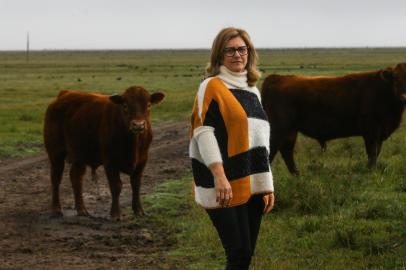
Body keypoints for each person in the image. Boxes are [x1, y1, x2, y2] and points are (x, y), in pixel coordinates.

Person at [189, 27, 275, 270]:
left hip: (252, 181)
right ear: (219, 55)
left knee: (245, 256)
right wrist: (219, 175)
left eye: (242, 49)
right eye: (230, 50)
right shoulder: (212, 86)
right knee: (237, 254)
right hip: (223, 182)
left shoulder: (252, 90)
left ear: (249, 53)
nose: (237, 55)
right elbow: (203, 131)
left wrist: (266, 184)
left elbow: (260, 142)